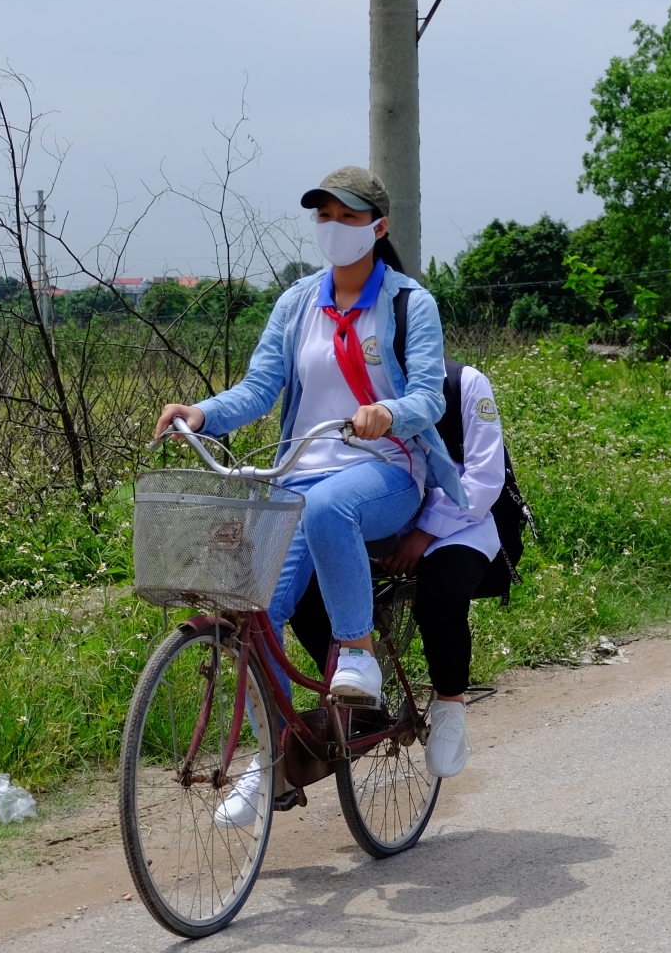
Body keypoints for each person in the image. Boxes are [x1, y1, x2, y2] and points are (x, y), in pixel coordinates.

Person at [153, 166, 466, 827]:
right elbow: (256, 391)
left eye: (349, 216)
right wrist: (201, 413)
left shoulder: (410, 303)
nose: (334, 228)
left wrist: (389, 413)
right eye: (324, 215)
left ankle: (357, 654)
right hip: (295, 475)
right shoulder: (297, 302)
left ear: (378, 228)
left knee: (332, 507)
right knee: (251, 607)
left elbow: (430, 396)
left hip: (386, 471)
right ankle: (276, 761)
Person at [290, 357, 525, 780]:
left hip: (458, 522)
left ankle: (450, 704)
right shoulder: (350, 381)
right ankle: (366, 701)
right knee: (306, 590)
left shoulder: (462, 383)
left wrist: (427, 531)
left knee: (440, 595)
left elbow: (485, 477)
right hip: (380, 516)